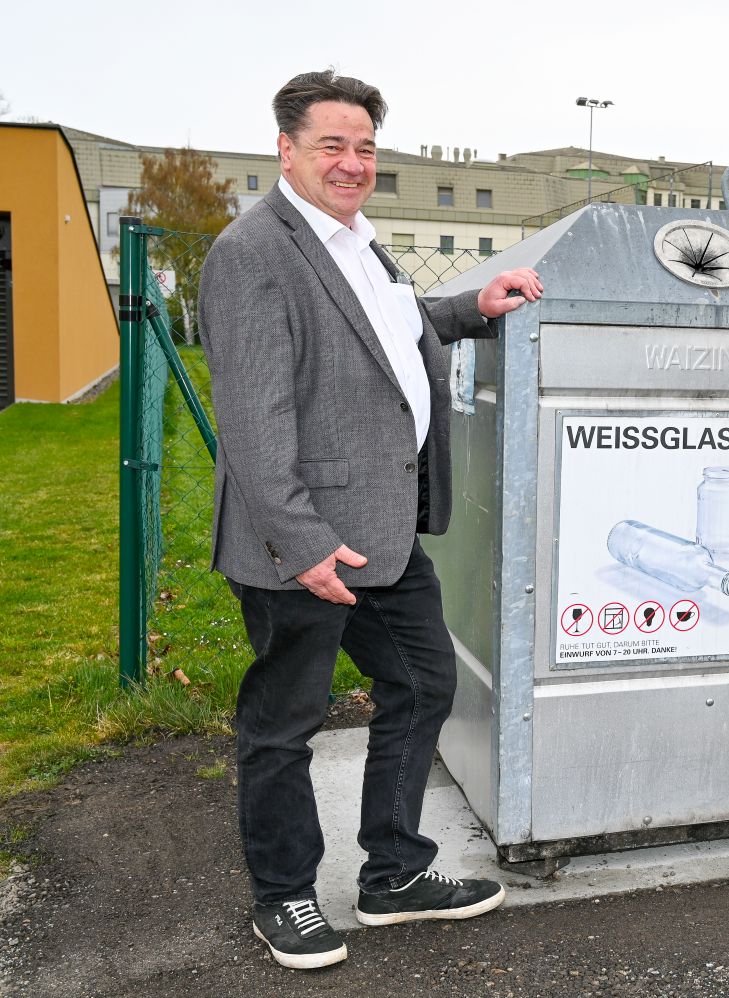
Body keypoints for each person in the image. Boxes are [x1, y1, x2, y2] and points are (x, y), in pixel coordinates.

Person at [198, 70, 543, 970]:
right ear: (286, 150)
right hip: (303, 543)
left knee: (425, 682)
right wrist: (303, 544)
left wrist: (471, 309)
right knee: (286, 723)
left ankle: (392, 873)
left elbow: (386, 328)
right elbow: (253, 422)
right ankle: (284, 897)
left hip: (384, 532)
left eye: (364, 148)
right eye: (332, 146)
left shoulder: (358, 242)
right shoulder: (252, 253)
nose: (352, 164)